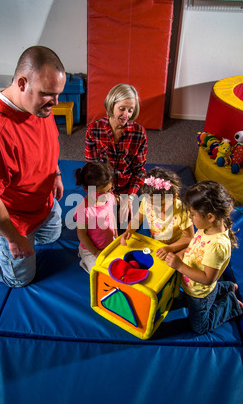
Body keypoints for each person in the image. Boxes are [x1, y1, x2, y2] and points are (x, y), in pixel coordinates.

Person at [0, 46, 67, 287]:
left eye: (57, 94)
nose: (55, 103)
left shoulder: (40, 104)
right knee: (19, 279)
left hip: (41, 202)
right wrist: (13, 238)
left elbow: (50, 140)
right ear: (22, 83)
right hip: (13, 219)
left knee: (52, 235)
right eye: (48, 94)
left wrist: (56, 172)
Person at [166, 181, 243, 334]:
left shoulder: (217, 246)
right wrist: (180, 255)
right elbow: (194, 248)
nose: (189, 216)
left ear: (210, 216)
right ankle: (227, 287)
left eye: (193, 214)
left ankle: (231, 303)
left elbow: (208, 279)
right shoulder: (206, 228)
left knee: (199, 327)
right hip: (189, 285)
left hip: (200, 293)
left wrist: (180, 266)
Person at [85, 84, 147, 227]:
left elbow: (139, 170)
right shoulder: (94, 130)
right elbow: (91, 168)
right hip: (103, 187)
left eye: (130, 110)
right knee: (98, 227)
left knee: (127, 228)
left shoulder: (139, 133)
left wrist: (130, 198)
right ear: (111, 104)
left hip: (127, 191)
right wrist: (108, 195)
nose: (126, 115)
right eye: (122, 109)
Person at [120, 167, 194, 258]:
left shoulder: (182, 211)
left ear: (173, 198)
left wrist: (170, 248)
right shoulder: (146, 201)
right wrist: (129, 230)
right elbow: (137, 219)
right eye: (150, 203)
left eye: (160, 204)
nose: (154, 208)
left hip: (175, 246)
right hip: (155, 241)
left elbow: (189, 237)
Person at [74, 160, 117, 274]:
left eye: (109, 190)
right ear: (86, 189)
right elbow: (82, 234)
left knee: (119, 267)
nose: (107, 195)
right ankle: (84, 259)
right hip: (92, 250)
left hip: (109, 243)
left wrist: (116, 237)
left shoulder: (110, 197)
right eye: (101, 193)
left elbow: (112, 217)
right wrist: (95, 253)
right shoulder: (85, 210)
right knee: (101, 273)